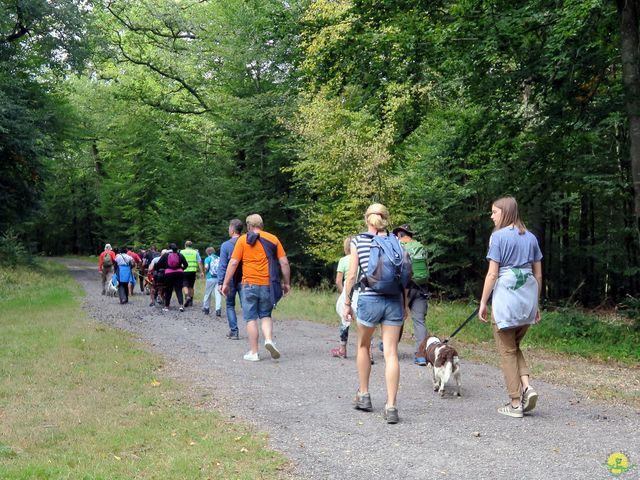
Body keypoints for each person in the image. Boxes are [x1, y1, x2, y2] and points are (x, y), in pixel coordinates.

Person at [342, 203, 409, 424]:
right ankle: (391, 406)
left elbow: (351, 275)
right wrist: (405, 303)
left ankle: (364, 394)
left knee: (363, 345)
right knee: (391, 352)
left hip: (369, 300)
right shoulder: (396, 241)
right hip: (393, 300)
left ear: (366, 219)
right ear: (386, 219)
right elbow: (405, 276)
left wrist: (347, 301)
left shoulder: (357, 241)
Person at [479, 196, 543, 418]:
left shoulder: (497, 238)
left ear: (505, 213)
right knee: (513, 346)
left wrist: (483, 301)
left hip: (506, 299)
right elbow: (538, 274)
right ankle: (527, 386)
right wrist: (536, 303)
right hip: (527, 298)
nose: (492, 216)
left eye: (494, 212)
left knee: (506, 350)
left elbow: (493, 273)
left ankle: (515, 403)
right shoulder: (532, 238)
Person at [221, 214, 291, 361]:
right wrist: (286, 283)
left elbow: (233, 263)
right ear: (261, 225)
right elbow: (284, 263)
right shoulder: (273, 239)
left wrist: (226, 283)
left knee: (251, 318)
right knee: (265, 315)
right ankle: (269, 340)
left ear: (249, 226)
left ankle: (254, 352)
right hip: (267, 284)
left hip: (248, 285)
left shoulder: (242, 240)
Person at [392, 224, 430, 366]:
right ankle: (420, 355)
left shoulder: (399, 246)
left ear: (401, 235)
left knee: (397, 317)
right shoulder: (421, 247)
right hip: (421, 287)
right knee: (419, 320)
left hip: (404, 287)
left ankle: (390, 346)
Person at [330, 236, 359, 359]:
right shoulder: (362, 259)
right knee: (365, 322)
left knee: (345, 319)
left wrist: (344, 293)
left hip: (349, 290)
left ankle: (342, 349)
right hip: (362, 291)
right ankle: (368, 352)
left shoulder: (343, 260)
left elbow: (338, 281)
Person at [218, 219, 244, 340]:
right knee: (247, 306)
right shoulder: (247, 242)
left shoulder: (226, 245)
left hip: (231, 280)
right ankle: (253, 328)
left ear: (232, 230)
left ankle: (234, 331)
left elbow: (223, 265)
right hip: (245, 279)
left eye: (229, 228)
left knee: (229, 305)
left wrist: (221, 282)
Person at [155, 243, 189, 312]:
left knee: (168, 290)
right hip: (179, 273)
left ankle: (167, 306)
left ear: (169, 248)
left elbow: (158, 264)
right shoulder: (180, 255)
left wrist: (161, 269)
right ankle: (181, 306)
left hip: (168, 273)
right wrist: (181, 268)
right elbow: (186, 264)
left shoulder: (165, 255)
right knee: (179, 289)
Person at [181, 240, 204, 307]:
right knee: (191, 286)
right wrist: (201, 272)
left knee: (184, 285)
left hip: (184, 271)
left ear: (185, 245)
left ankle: (187, 296)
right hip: (193, 271)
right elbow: (199, 262)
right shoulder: (195, 252)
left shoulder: (182, 252)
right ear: (191, 246)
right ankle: (191, 300)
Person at [202, 246, 222, 315]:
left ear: (207, 253)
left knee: (208, 293)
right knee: (218, 294)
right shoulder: (219, 258)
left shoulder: (208, 258)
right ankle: (218, 309)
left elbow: (206, 267)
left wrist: (204, 271)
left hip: (210, 278)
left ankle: (206, 308)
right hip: (219, 278)